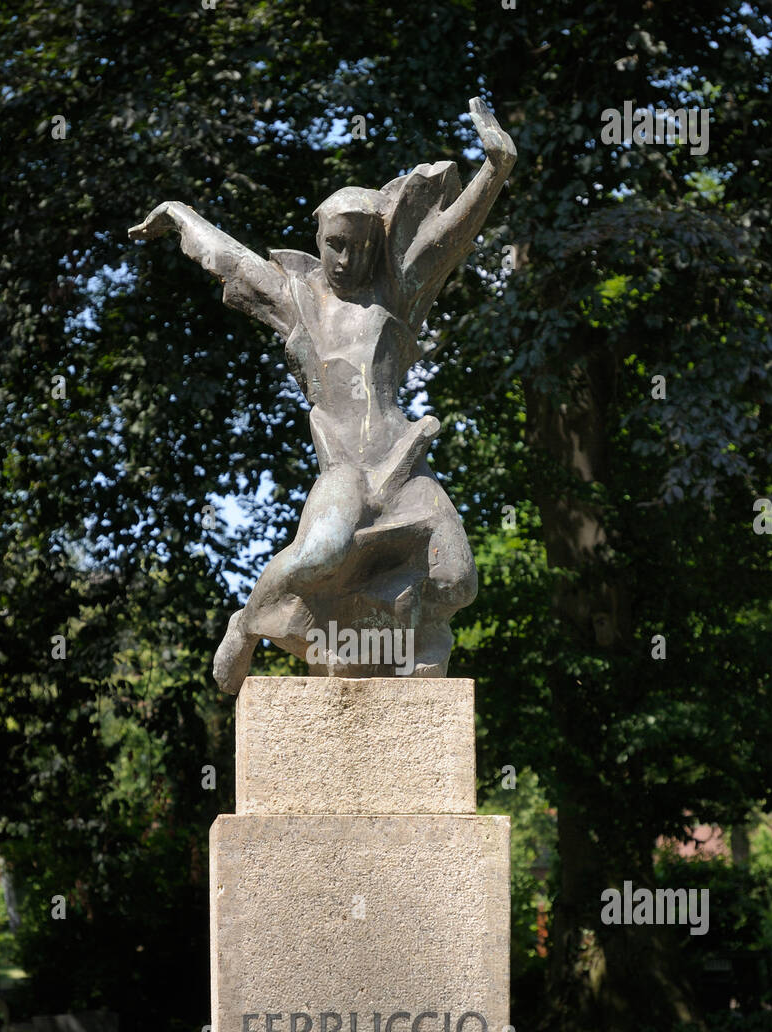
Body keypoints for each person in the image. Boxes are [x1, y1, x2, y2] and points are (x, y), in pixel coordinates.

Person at [129, 97, 516, 694]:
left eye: (360, 245)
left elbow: (450, 236)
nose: (346, 258)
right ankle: (247, 622)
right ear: (319, 238)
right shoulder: (297, 299)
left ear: (377, 242)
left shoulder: (398, 292)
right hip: (346, 475)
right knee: (318, 555)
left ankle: (400, 633)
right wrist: (180, 214)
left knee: (458, 580)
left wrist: (496, 168)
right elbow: (230, 259)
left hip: (407, 470)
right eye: (335, 244)